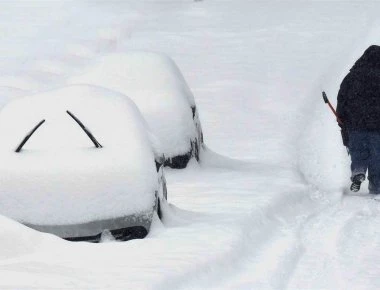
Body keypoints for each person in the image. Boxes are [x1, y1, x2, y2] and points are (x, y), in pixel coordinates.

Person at [337, 45, 380, 194]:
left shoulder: (352, 76)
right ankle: (377, 185)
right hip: (378, 126)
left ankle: (358, 170)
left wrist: (341, 117)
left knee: (358, 149)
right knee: (377, 155)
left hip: (355, 123)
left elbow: (342, 98)